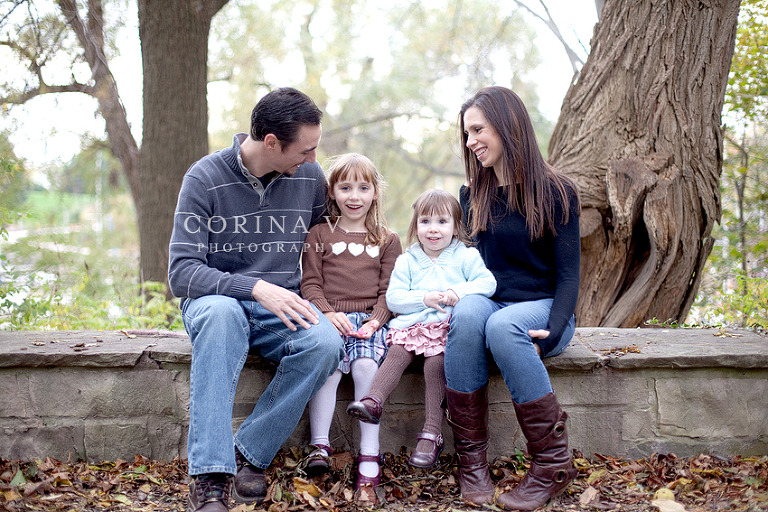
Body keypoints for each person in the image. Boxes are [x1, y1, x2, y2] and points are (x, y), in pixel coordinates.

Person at [168, 87, 343, 512]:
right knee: (224, 315)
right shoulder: (204, 178)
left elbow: (323, 246)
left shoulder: (308, 178)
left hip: (281, 305)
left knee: (325, 344)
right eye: (306, 150)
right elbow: (181, 272)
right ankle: (210, 476)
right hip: (216, 300)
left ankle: (249, 451)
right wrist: (254, 287)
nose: (313, 160)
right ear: (270, 142)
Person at [445, 85, 581, 511]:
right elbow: (468, 270)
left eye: (478, 130)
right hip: (490, 306)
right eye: (467, 134)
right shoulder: (473, 195)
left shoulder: (558, 191)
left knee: (504, 326)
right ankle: (472, 466)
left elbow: (570, 274)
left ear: (507, 125)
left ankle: (553, 465)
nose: (471, 142)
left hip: (541, 310)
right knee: (469, 313)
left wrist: (556, 326)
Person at [347, 188, 497, 471]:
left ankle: (431, 434)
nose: (433, 229)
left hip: (445, 330)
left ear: (455, 226)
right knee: (396, 352)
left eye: (442, 222)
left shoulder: (466, 256)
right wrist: (423, 298)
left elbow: (487, 284)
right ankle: (373, 401)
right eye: (425, 221)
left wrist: (458, 291)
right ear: (415, 226)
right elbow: (394, 299)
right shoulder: (408, 260)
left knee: (435, 365)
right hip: (413, 328)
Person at [299, 153, 402, 492]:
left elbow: (390, 290)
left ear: (375, 192)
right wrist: (327, 312)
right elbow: (310, 282)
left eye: (363, 187)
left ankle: (369, 454)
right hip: (327, 316)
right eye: (345, 187)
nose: (354, 196)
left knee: (364, 366)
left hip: (370, 321)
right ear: (331, 192)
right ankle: (319, 445)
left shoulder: (387, 239)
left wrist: (376, 321)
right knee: (327, 369)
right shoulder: (319, 233)